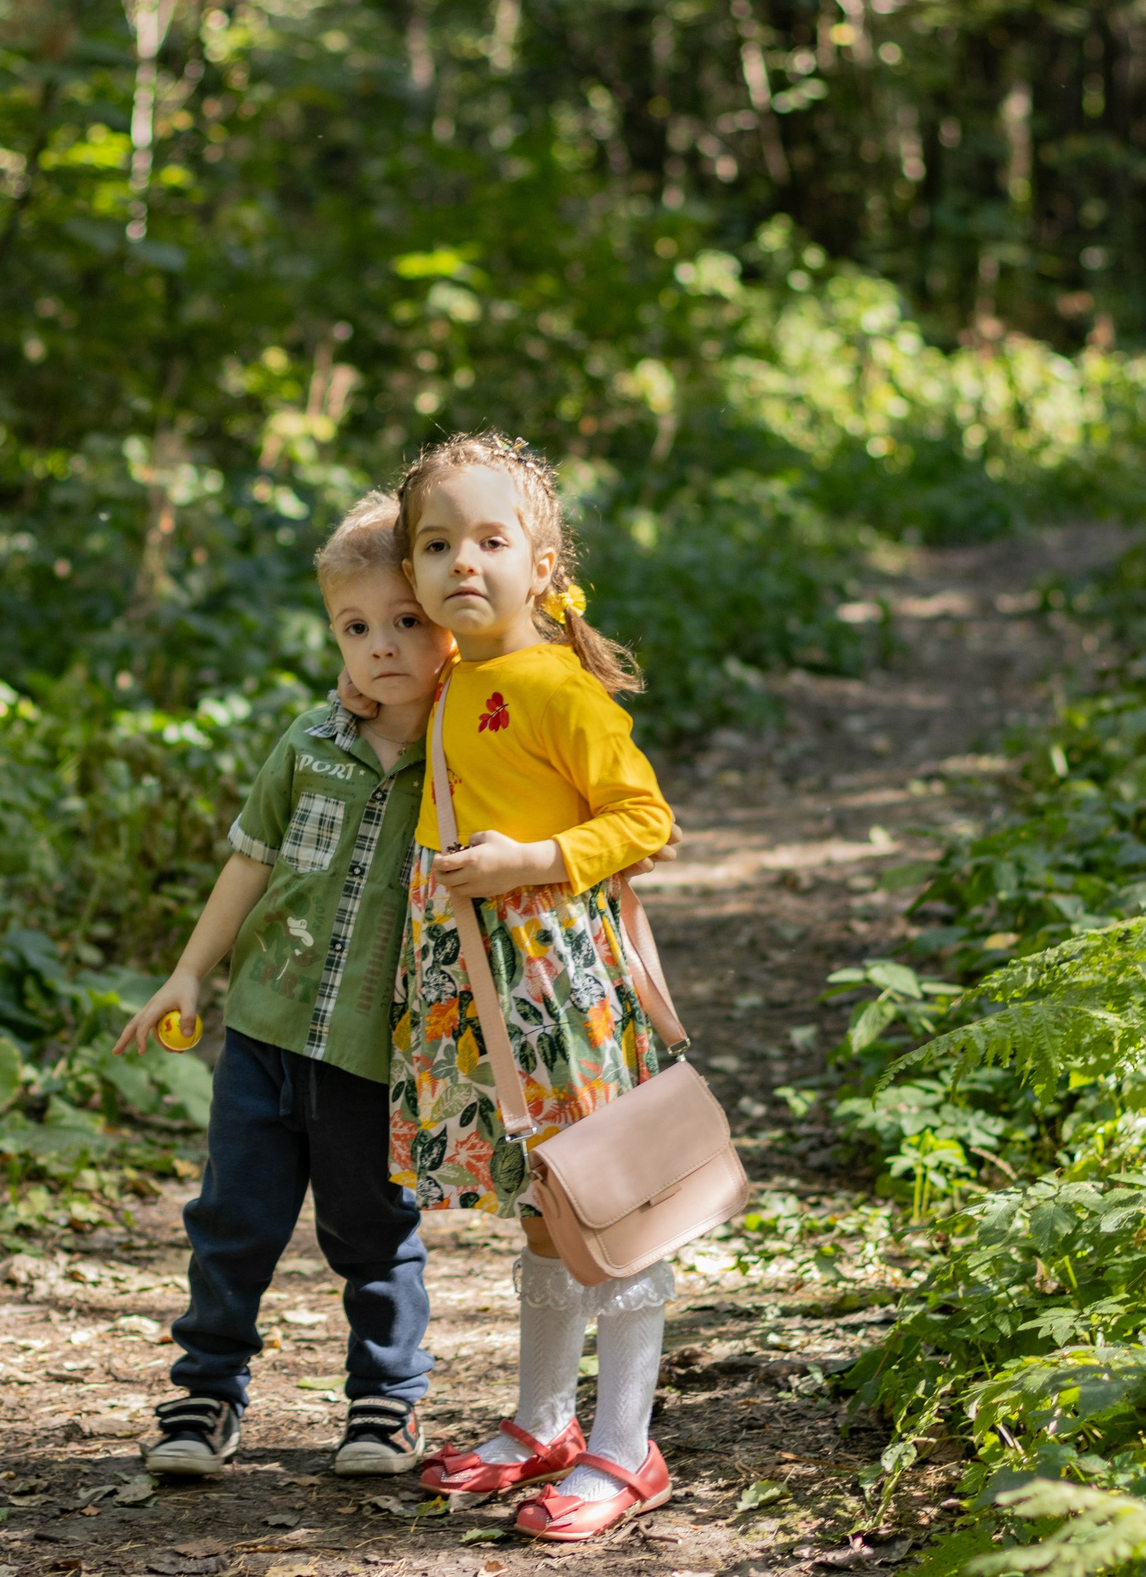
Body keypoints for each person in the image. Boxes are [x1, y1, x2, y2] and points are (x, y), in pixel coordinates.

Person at [114, 490, 451, 1480]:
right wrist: (187, 974)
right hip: (261, 1031)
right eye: (356, 627)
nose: (381, 646)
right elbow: (248, 863)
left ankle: (385, 1407)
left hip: (370, 1051)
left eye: (406, 621)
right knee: (232, 1223)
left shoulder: (465, 760)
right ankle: (203, 1401)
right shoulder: (307, 747)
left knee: (372, 1234)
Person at [388, 432, 681, 1541]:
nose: (464, 562)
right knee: (538, 1211)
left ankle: (625, 1447)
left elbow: (645, 818)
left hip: (558, 982)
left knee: (605, 1213)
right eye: (436, 543)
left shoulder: (557, 688)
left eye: (491, 540)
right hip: (476, 990)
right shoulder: (452, 674)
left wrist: (529, 861)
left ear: (544, 568)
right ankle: (544, 1421)